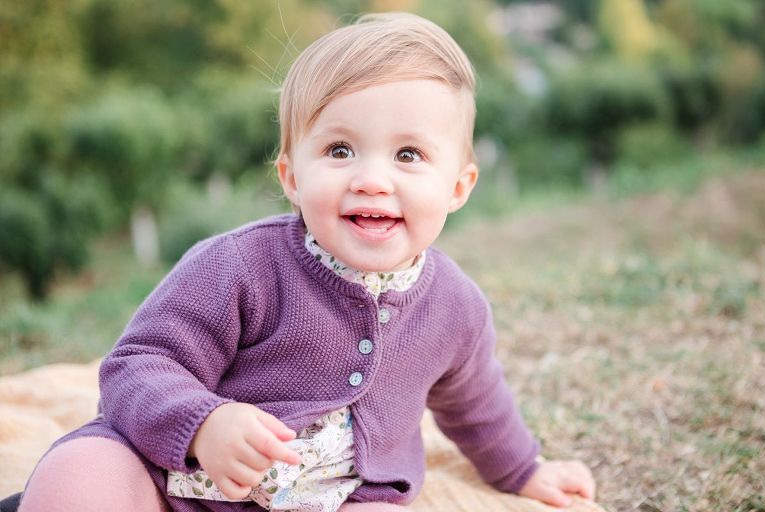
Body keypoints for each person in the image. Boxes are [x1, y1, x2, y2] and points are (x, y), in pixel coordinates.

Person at [19, 12, 595, 512]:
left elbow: (477, 403)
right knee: (84, 475)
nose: (372, 179)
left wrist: (524, 470)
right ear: (293, 177)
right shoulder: (239, 266)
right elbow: (136, 365)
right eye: (339, 150)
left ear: (458, 186)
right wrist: (203, 423)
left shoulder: (455, 307)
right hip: (171, 487)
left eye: (409, 154)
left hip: (340, 497)